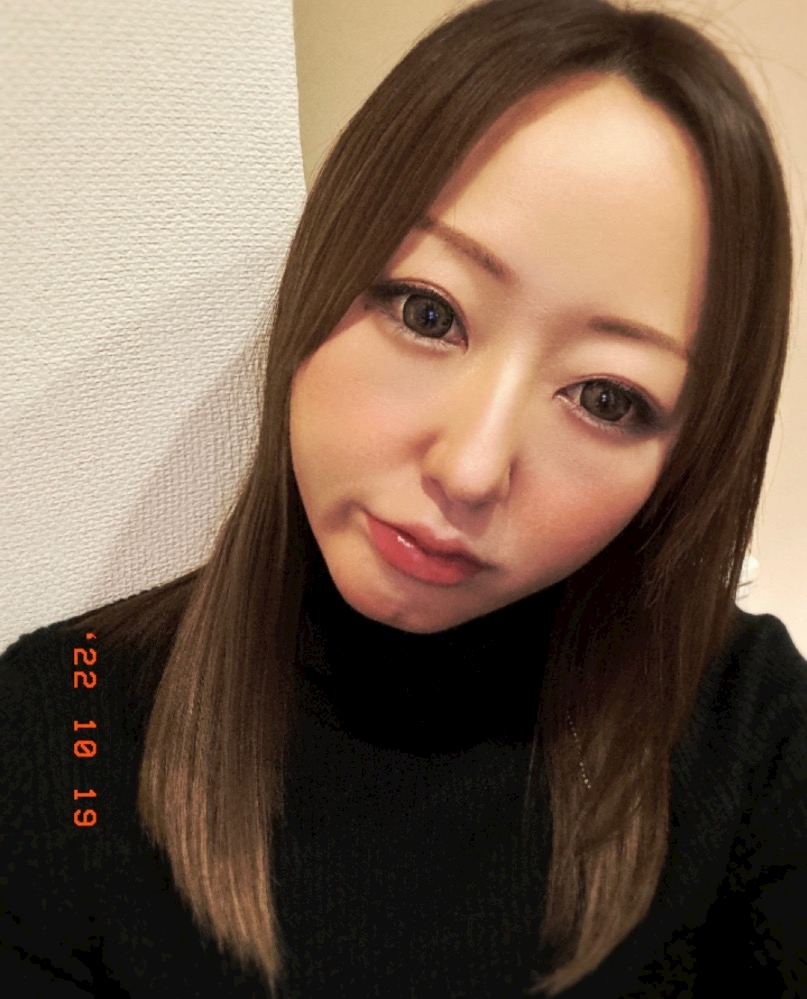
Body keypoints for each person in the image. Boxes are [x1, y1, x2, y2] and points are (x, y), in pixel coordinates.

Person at [1, 0, 805, 996]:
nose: (469, 469)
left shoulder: (749, 735)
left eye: (606, 398)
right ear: (325, 272)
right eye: (428, 313)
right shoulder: (66, 723)